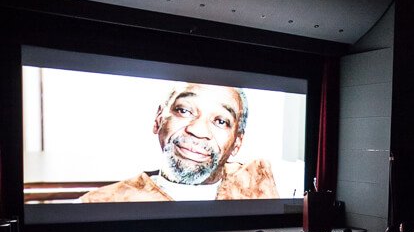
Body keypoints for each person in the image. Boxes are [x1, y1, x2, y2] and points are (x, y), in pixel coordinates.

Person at [79, 82, 279, 202]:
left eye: (220, 121)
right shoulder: (99, 203)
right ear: (158, 120)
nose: (198, 131)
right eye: (184, 110)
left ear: (237, 143)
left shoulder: (257, 182)